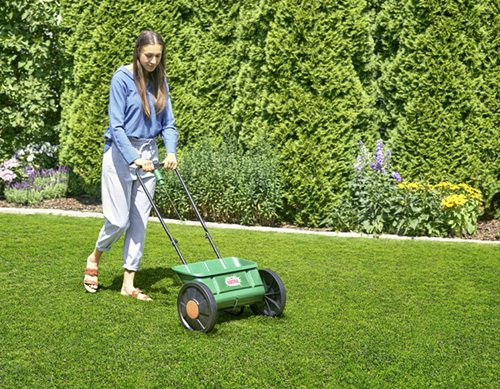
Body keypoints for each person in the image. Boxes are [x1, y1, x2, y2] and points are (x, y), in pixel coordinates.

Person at [83, 30, 178, 300]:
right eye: (149, 55)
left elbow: (168, 124)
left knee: (139, 223)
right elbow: (116, 125)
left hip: (150, 156)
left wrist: (169, 151)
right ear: (138, 52)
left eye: (158, 56)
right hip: (121, 155)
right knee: (118, 220)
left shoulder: (161, 81)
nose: (153, 61)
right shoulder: (121, 78)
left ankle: (128, 283)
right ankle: (95, 257)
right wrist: (133, 157)